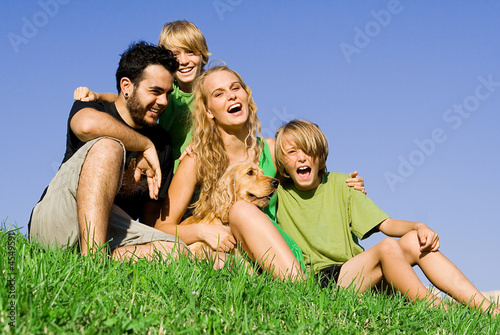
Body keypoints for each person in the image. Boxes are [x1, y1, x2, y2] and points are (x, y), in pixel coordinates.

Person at [154, 66, 365, 280]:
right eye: (219, 94)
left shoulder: (272, 151)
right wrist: (202, 231)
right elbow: (162, 227)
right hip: (232, 252)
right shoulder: (197, 159)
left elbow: (312, 175)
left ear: (246, 95)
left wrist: (347, 186)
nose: (231, 96)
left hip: (281, 255)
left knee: (241, 210)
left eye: (235, 88)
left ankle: (297, 285)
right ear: (208, 111)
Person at [274, 119, 500, 314]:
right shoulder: (277, 195)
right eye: (292, 152)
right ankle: (435, 308)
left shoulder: (341, 184)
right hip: (324, 281)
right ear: (282, 162)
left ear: (320, 156)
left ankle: (487, 309)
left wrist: (419, 226)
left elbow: (386, 224)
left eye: (308, 150)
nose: (301, 158)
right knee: (386, 248)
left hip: (359, 272)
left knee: (414, 240)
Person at [29, 41, 187, 261]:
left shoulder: (162, 142)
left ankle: (96, 256)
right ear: (126, 86)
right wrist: (143, 144)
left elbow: (150, 221)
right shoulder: (93, 107)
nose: (163, 102)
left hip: (114, 230)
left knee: (178, 252)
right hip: (60, 217)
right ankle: (92, 260)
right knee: (110, 145)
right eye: (155, 92)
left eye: (168, 93)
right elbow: (86, 126)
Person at [74, 20, 210, 171]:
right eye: (175, 54)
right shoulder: (168, 94)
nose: (184, 61)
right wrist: (98, 96)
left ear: (202, 54)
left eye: (190, 52)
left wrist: (200, 141)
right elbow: (133, 101)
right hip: (172, 172)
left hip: (203, 167)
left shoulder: (212, 89)